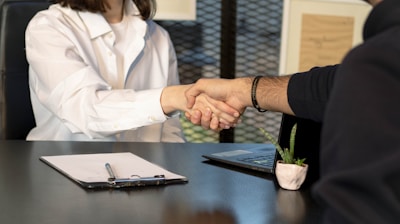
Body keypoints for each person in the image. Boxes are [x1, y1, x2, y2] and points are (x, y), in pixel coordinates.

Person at [186, 0, 400, 222]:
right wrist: (242, 90)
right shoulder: (380, 58)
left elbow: (358, 210)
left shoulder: (380, 58)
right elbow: (332, 87)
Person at [25, 0, 238, 142]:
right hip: (63, 177)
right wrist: (171, 97)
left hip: (144, 180)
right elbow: (85, 110)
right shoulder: (48, 27)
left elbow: (170, 130)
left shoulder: (159, 36)